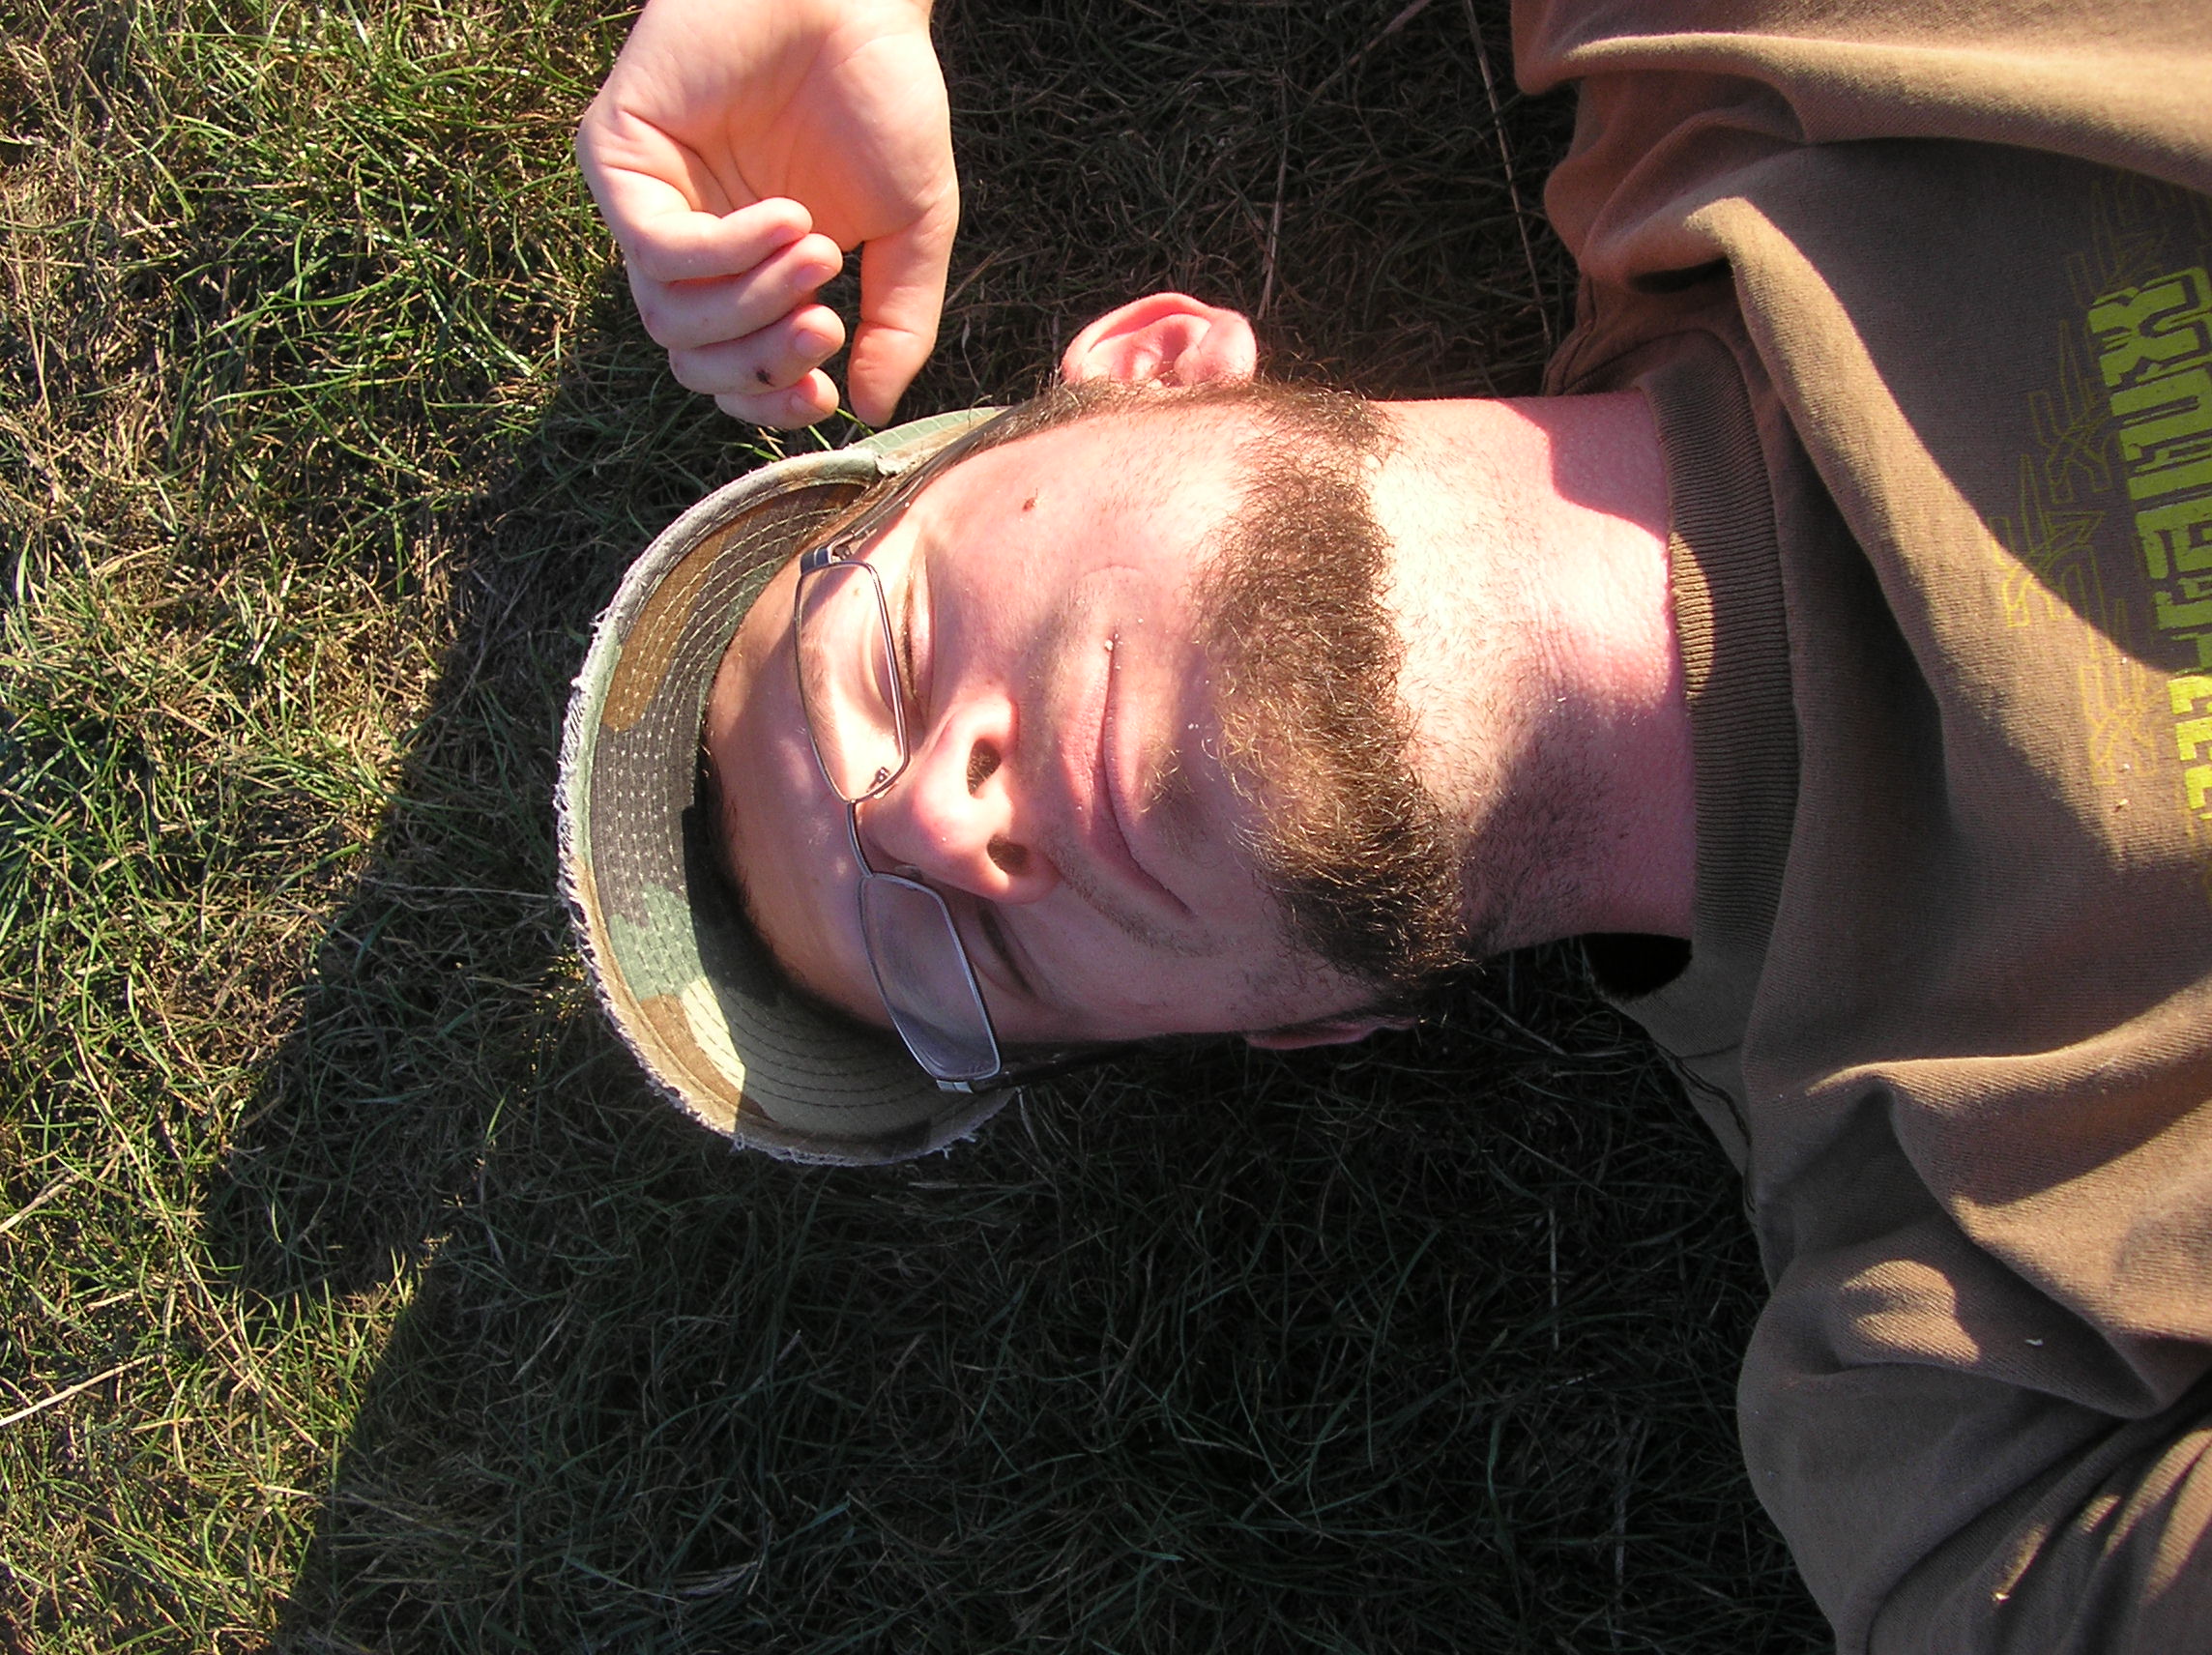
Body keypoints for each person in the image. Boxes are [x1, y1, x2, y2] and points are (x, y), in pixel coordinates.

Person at [566, 0, 2212, 1648]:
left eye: (892, 656)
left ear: (1151, 369)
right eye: (951, 953)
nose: (937, 819)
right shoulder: (1974, 1433)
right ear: (1305, 1027)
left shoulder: (1763, 61)